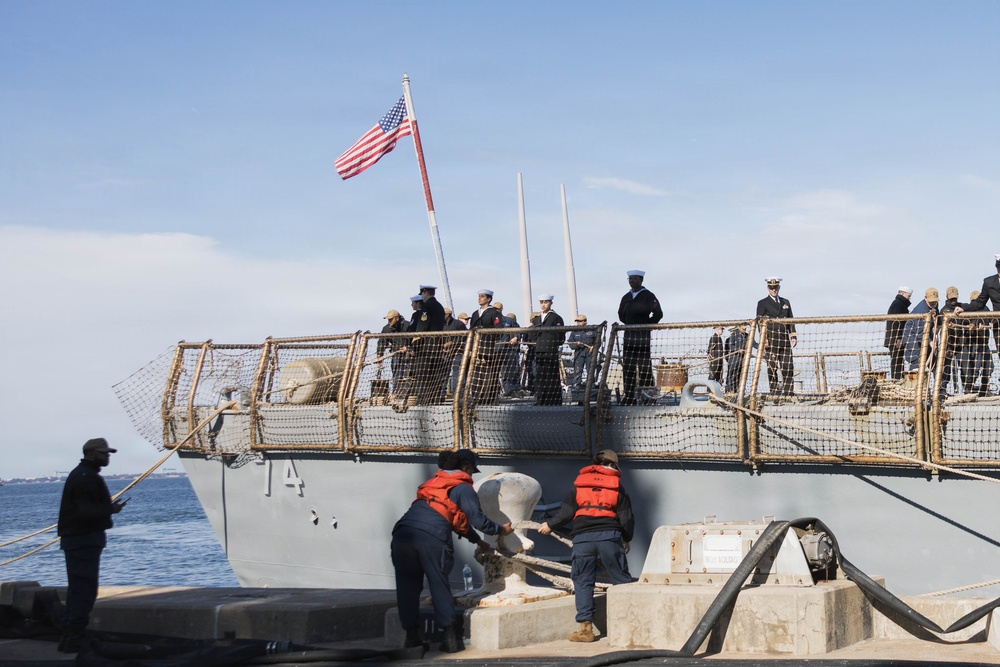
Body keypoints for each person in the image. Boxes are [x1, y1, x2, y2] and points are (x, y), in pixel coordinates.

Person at [390, 449, 513, 653]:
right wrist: (502, 530)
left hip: (402, 534)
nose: (472, 476)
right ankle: (450, 639)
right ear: (466, 468)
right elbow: (477, 520)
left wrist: (478, 542)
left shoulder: (434, 483)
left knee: (407, 587)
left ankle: (411, 639)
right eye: (472, 471)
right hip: (432, 537)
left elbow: (452, 517)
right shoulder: (462, 488)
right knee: (438, 584)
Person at [538, 449, 634, 643]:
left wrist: (549, 525)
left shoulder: (579, 486)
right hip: (610, 538)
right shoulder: (618, 487)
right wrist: (626, 538)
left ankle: (586, 630)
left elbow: (566, 512)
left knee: (583, 582)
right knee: (622, 581)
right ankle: (629, 626)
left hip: (583, 540)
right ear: (614, 466)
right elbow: (626, 519)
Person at [57, 438, 126, 653]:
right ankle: (74, 637)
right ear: (90, 454)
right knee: (84, 591)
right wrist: (110, 510)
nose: (107, 456)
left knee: (79, 590)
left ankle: (71, 635)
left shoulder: (83, 474)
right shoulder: (86, 477)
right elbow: (85, 511)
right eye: (103, 453)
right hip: (82, 540)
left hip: (79, 540)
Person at [617, 270, 663, 405]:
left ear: (641, 280)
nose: (632, 281)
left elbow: (658, 313)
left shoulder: (648, 296)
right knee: (628, 366)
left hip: (642, 336)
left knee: (644, 366)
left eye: (635, 278)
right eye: (630, 279)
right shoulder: (626, 297)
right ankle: (629, 397)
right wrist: (628, 324)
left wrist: (647, 325)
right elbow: (621, 314)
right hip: (629, 334)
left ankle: (647, 396)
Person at [755, 277, 797, 397]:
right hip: (771, 340)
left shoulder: (786, 302)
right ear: (768, 288)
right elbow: (760, 323)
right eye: (771, 288)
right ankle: (774, 392)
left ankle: (789, 393)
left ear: (779, 287)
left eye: (775, 287)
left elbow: (791, 320)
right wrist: (764, 339)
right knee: (772, 368)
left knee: (788, 366)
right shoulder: (762, 303)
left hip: (784, 339)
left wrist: (793, 335)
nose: (774, 290)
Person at [468, 290, 504, 405]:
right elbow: (471, 331)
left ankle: (490, 397)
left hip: (489, 347)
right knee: (476, 373)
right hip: (476, 347)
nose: (480, 298)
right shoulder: (475, 314)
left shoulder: (494, 313)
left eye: (482, 296)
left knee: (489, 373)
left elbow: (499, 330)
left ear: (488, 299)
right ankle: (477, 397)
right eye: (479, 296)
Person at [412, 285, 447, 404]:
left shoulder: (427, 307)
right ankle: (435, 400)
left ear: (425, 293)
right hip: (436, 346)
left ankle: (424, 402)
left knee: (423, 376)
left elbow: (422, 327)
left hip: (425, 348)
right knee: (435, 377)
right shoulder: (440, 307)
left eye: (422, 294)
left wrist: (415, 346)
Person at [531, 294, 566, 405]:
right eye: (541, 302)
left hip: (550, 350)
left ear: (550, 303)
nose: (543, 304)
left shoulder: (556, 318)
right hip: (539, 350)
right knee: (540, 376)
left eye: (546, 302)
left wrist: (552, 343)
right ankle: (541, 399)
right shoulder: (537, 319)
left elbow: (561, 336)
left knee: (552, 376)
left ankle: (554, 400)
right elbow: (532, 334)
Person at [902, 288, 939, 372]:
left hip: (927, 333)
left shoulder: (935, 305)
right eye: (931, 302)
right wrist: (930, 342)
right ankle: (915, 383)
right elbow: (920, 333)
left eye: (935, 301)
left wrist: (938, 325)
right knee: (915, 362)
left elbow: (937, 313)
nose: (933, 303)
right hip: (912, 336)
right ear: (925, 298)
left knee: (934, 361)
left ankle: (937, 385)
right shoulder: (921, 311)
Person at [884, 287, 913, 380]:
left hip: (895, 338)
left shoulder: (898, 304)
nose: (909, 298)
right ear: (902, 294)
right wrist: (899, 338)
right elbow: (896, 324)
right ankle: (897, 381)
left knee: (898, 361)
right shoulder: (898, 305)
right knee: (897, 362)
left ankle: (898, 380)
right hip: (896, 339)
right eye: (908, 296)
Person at [378, 309, 409, 394]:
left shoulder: (407, 326)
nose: (389, 322)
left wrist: (408, 348)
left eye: (391, 319)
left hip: (409, 355)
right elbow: (382, 341)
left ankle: (409, 395)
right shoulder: (386, 328)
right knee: (396, 376)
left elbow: (414, 339)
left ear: (397, 318)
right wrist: (379, 355)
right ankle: (396, 394)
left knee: (409, 375)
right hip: (396, 355)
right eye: (388, 320)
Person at [567, 314, 597, 389]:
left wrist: (594, 347)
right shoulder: (574, 332)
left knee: (590, 370)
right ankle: (577, 385)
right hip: (579, 353)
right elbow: (570, 343)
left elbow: (598, 341)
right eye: (577, 321)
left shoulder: (592, 330)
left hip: (589, 353)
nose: (578, 323)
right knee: (578, 370)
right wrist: (576, 345)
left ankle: (591, 385)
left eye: (580, 321)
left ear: (585, 321)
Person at [443, 309, 467, 398]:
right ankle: (442, 393)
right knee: (444, 372)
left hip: (458, 352)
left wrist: (452, 343)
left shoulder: (458, 324)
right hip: (445, 353)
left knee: (457, 372)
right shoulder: (440, 324)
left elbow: (464, 337)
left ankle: (458, 393)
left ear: (448, 315)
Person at [724, 323, 754, 393]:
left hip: (742, 359)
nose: (744, 330)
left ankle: (737, 390)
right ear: (739, 327)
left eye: (745, 329)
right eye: (743, 329)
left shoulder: (747, 336)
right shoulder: (734, 335)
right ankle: (729, 391)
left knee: (739, 376)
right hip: (734, 358)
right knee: (731, 375)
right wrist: (738, 350)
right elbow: (730, 346)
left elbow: (754, 343)